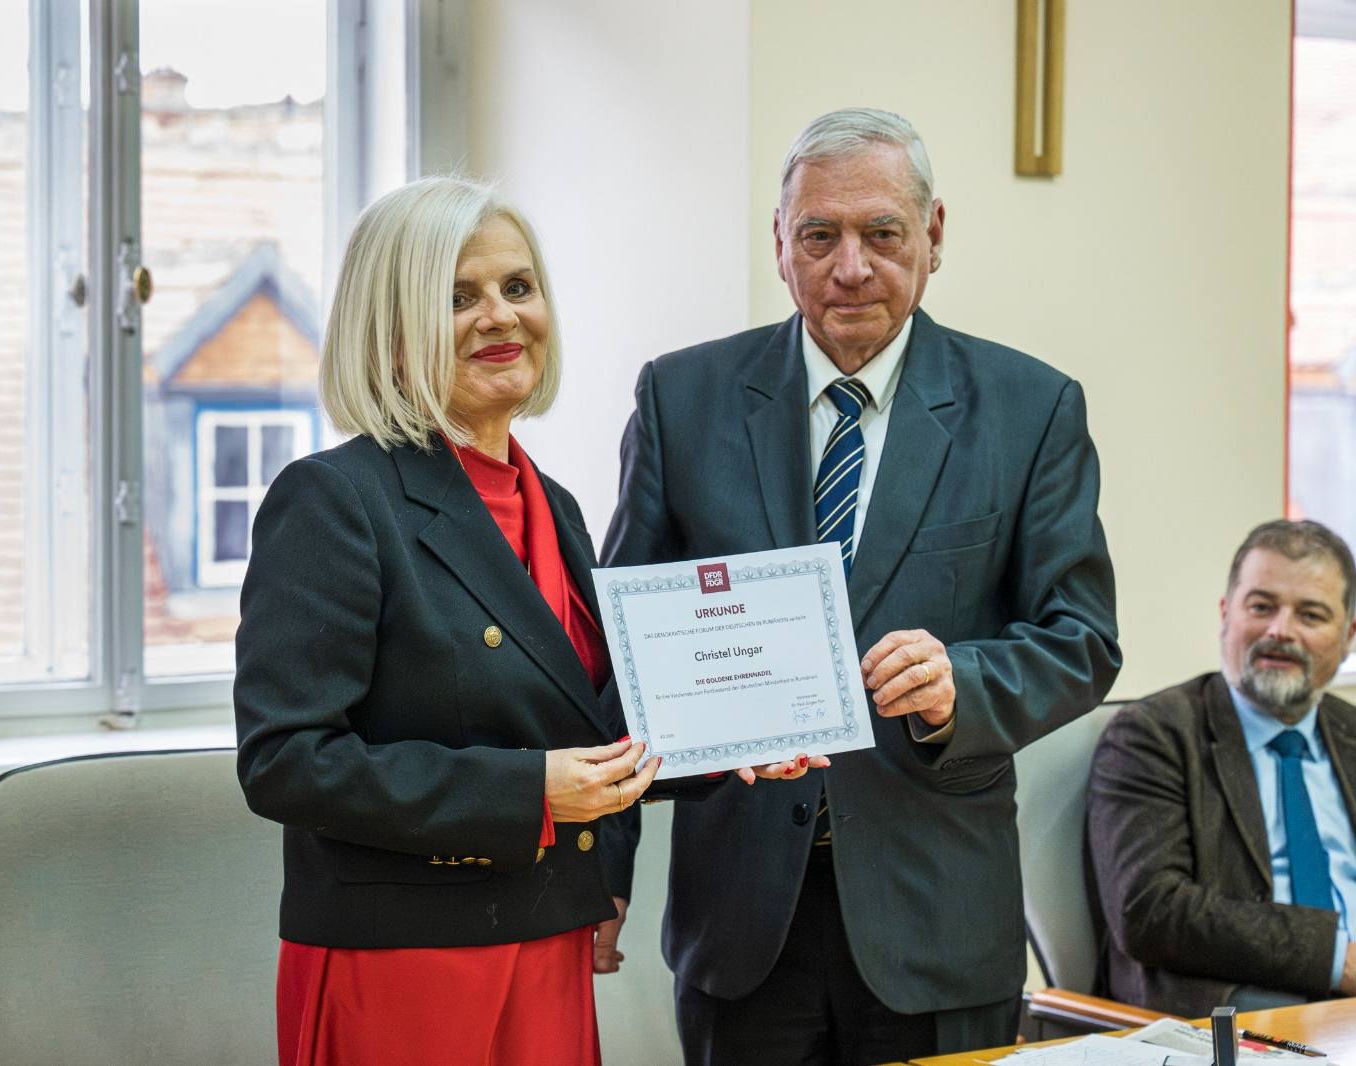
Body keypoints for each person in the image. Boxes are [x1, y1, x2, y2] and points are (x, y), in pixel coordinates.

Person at [234, 176, 810, 1066]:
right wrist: (529, 793)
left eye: (517, 287)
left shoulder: (557, 506)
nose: (500, 316)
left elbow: (582, 734)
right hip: (404, 965)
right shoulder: (333, 500)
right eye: (457, 297)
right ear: (390, 330)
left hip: (547, 939)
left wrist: (728, 740)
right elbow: (286, 763)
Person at [601, 108, 1121, 1065]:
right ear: (779, 242)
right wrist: (603, 868)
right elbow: (620, 658)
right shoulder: (682, 400)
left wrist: (963, 683)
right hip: (741, 920)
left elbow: (1082, 639)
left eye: (882, 233)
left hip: (937, 921)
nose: (851, 268)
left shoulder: (1030, 407)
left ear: (933, 235)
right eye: (819, 236)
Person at [1089, 519, 1356, 1016]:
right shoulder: (1154, 735)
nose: (1280, 630)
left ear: (1348, 637)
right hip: (1237, 1008)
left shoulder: (1350, 732)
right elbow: (1150, 910)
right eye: (1261, 607)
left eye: (1311, 615)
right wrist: (1335, 958)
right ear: (1225, 613)